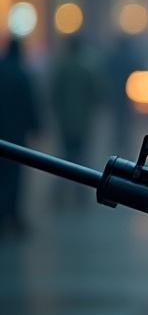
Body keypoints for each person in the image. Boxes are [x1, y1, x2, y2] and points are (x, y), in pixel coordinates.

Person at [49, 35, 102, 204]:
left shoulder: (62, 68)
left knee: (65, 156)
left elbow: (53, 95)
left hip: (65, 121)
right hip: (83, 121)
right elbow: (96, 95)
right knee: (81, 156)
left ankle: (60, 193)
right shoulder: (86, 69)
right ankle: (80, 194)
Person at [0, 36, 42, 236]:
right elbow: (29, 102)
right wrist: (36, 126)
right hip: (16, 134)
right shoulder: (21, 74)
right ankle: (12, 215)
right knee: (14, 177)